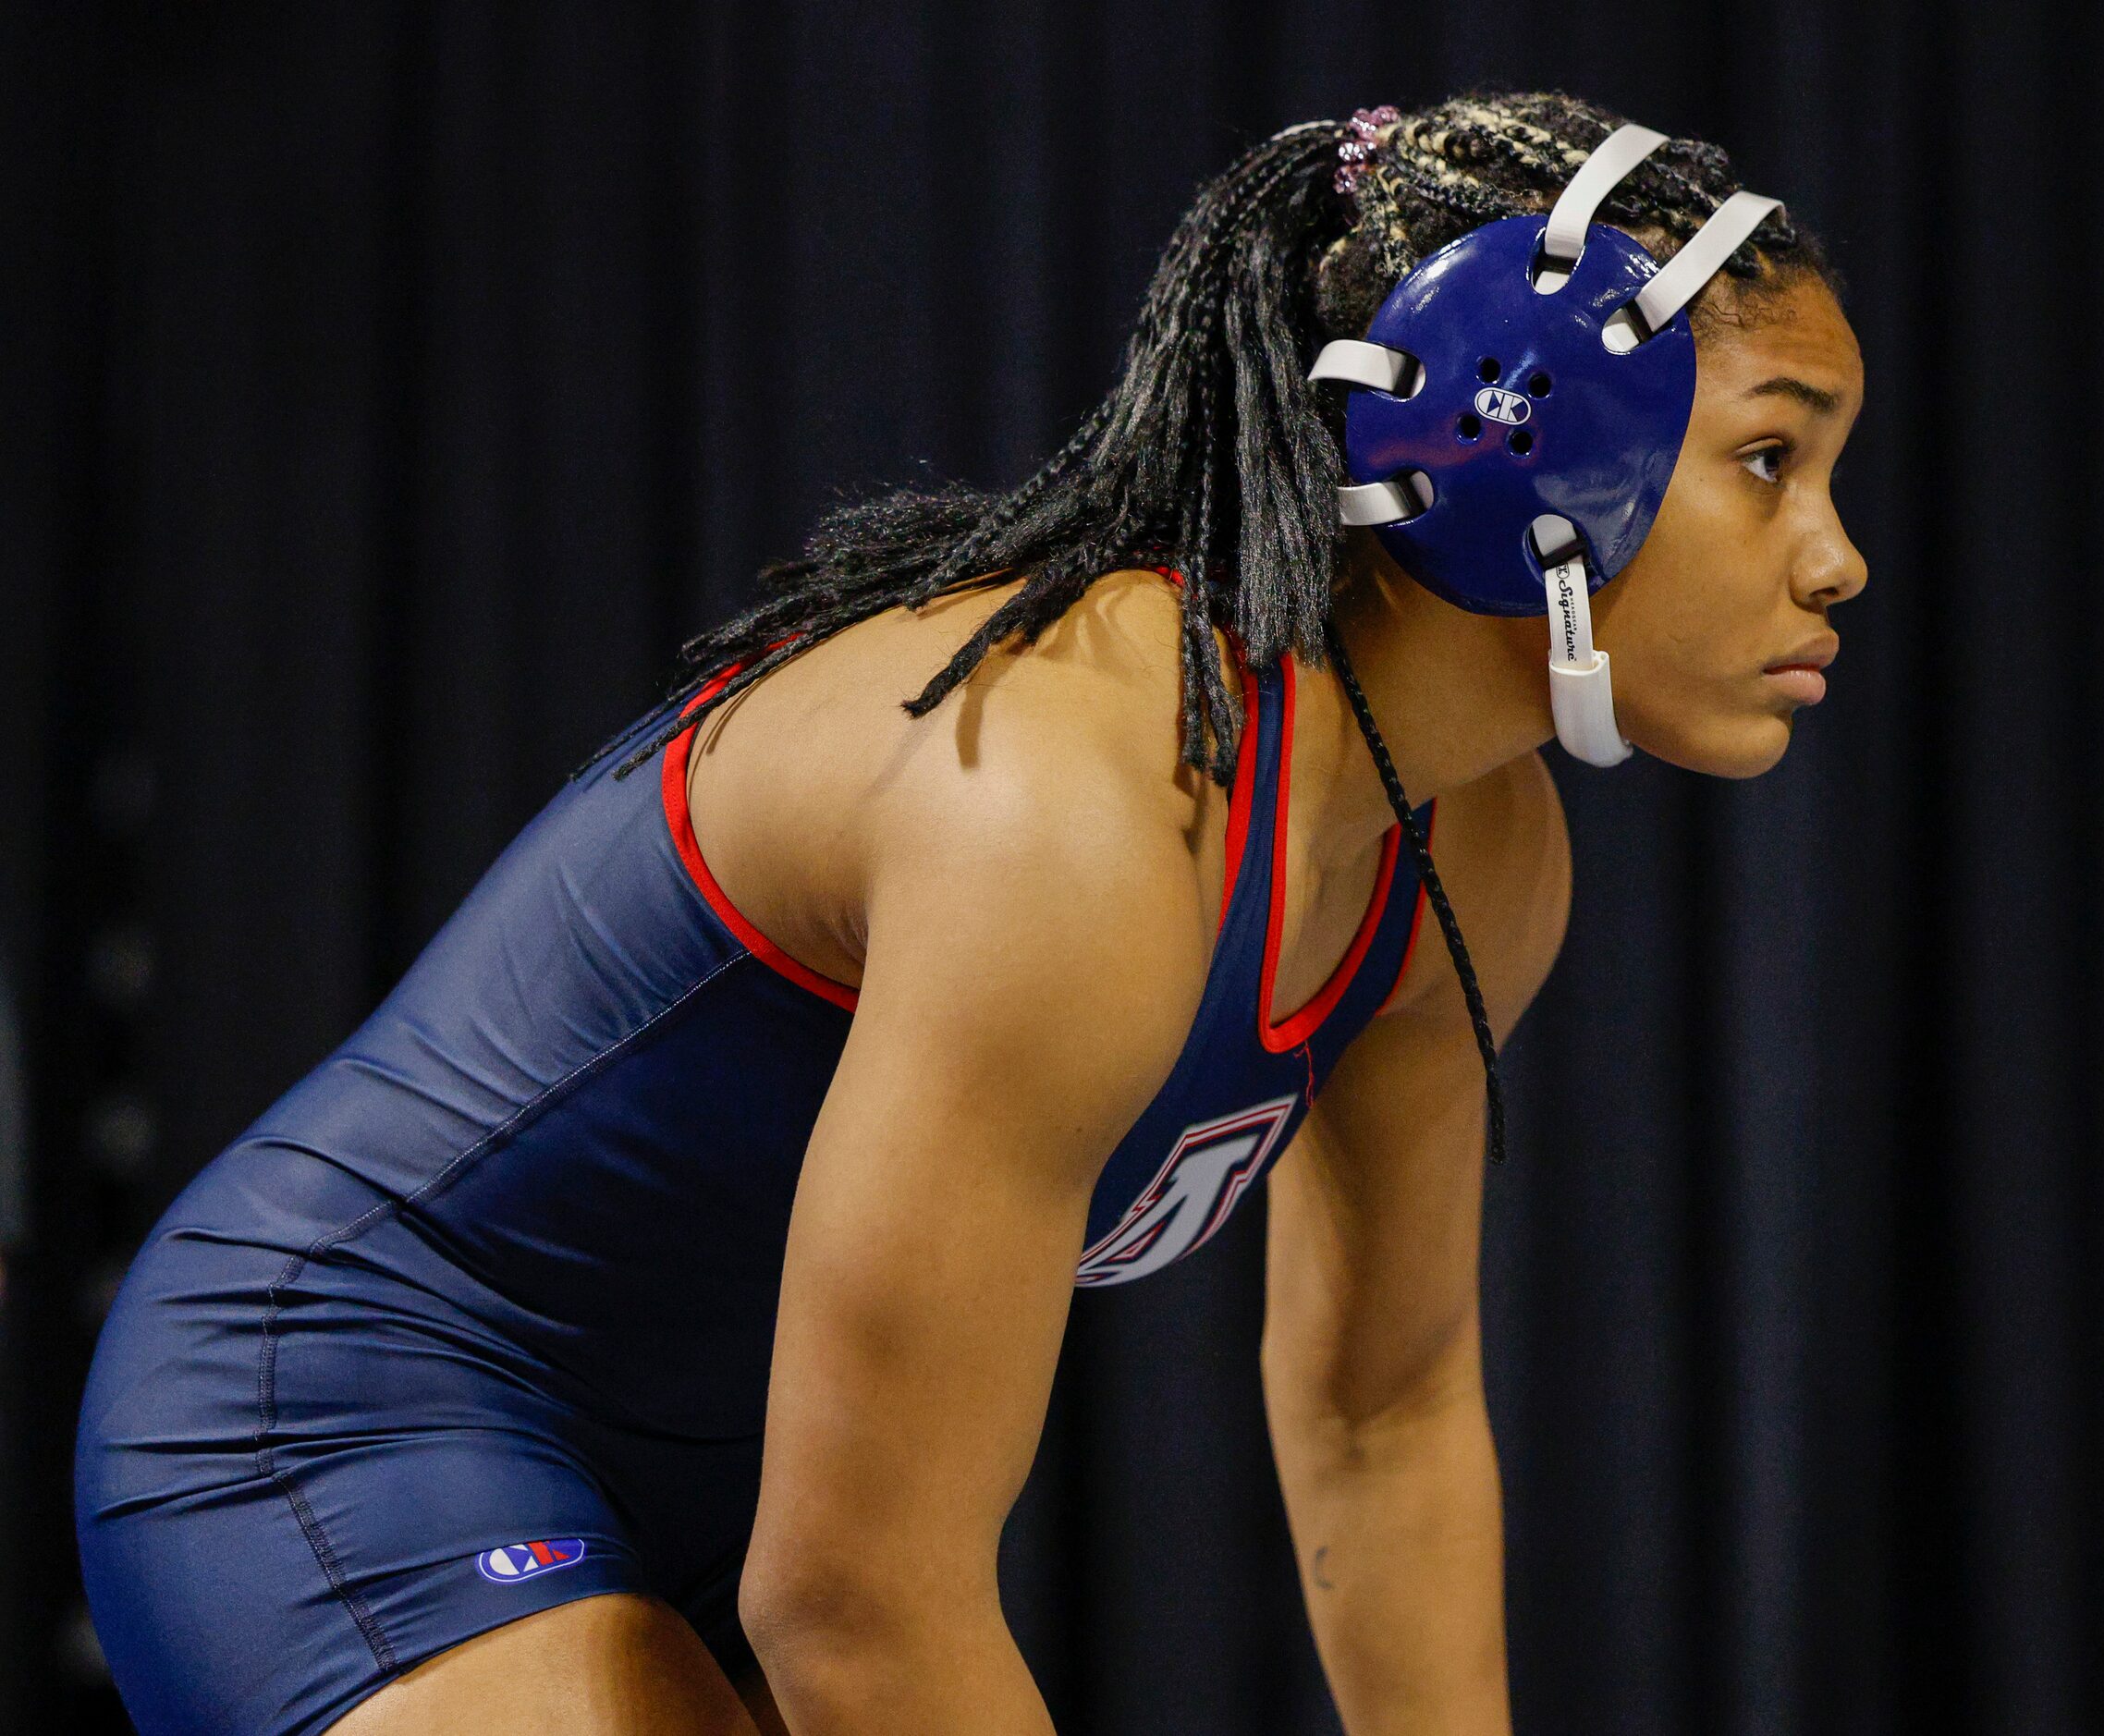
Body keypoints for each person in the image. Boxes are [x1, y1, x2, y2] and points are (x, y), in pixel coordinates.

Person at [73, 91, 1865, 1736]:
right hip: (345, 1406)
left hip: (736, 1490)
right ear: (1523, 441)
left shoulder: (1471, 861)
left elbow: (1379, 1420)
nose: (1836, 555)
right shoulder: (1082, 811)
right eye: (1771, 460)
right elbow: (855, 1609)